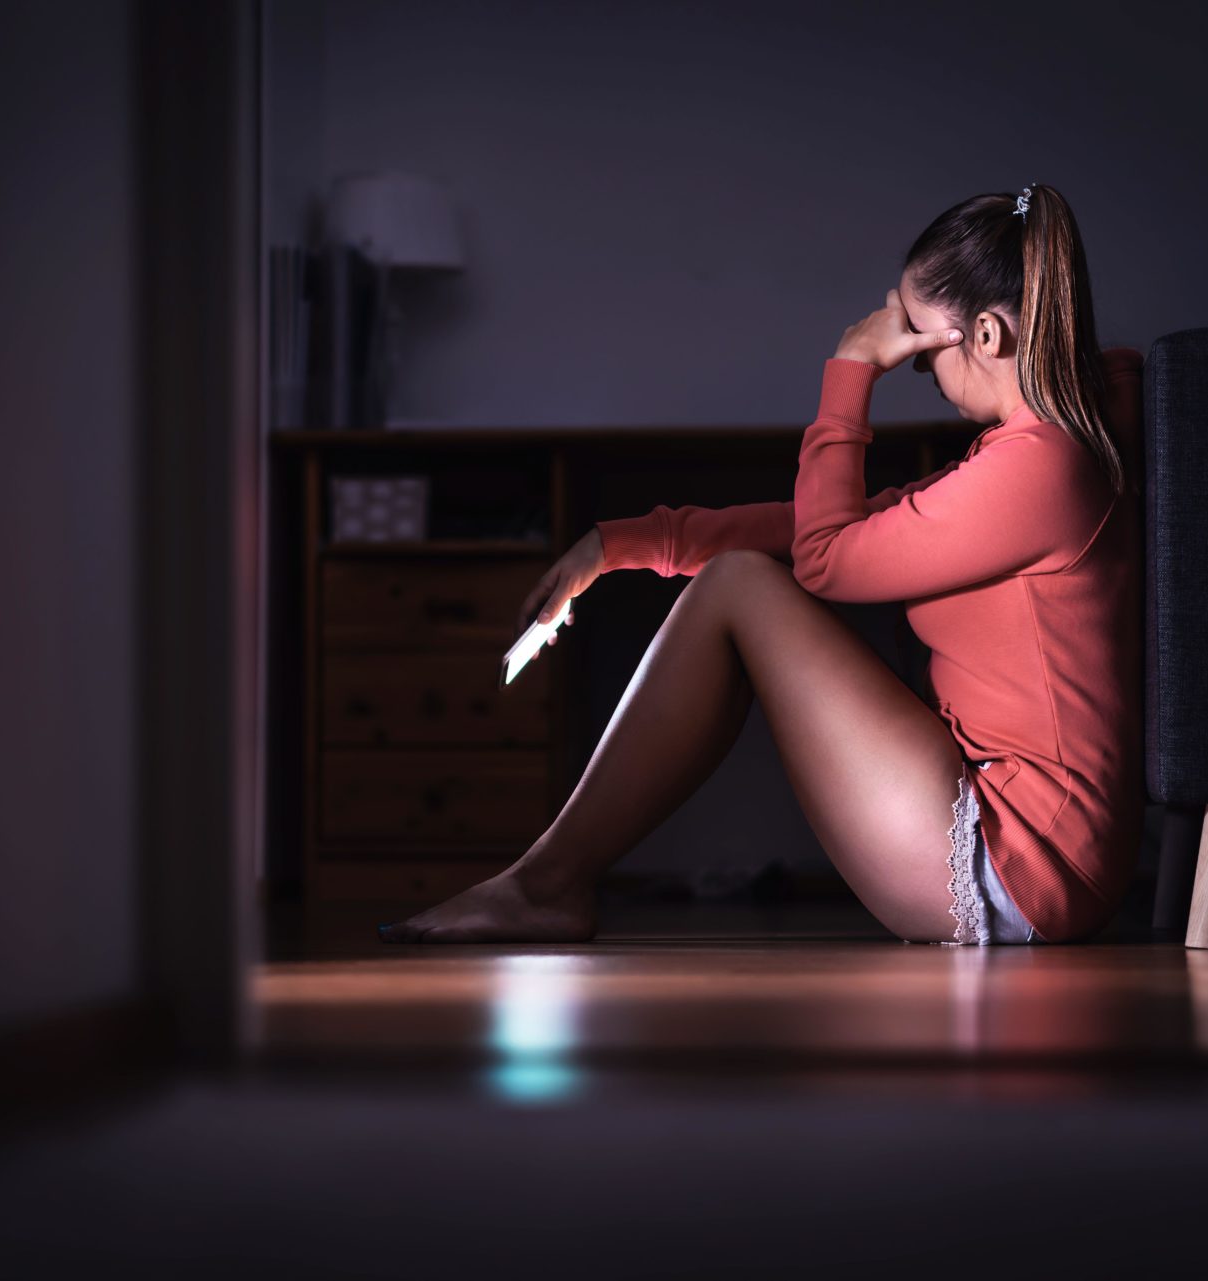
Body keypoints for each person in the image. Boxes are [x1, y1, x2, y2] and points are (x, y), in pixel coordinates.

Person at [378, 183, 1143, 946]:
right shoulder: (1036, 451)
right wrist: (619, 546)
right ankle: (544, 883)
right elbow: (835, 526)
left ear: (984, 335)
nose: (919, 372)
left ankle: (544, 885)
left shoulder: (1041, 467)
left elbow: (822, 559)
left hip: (1021, 864)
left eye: (919, 352)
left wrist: (849, 370)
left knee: (742, 583)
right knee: (740, 576)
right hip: (1023, 839)